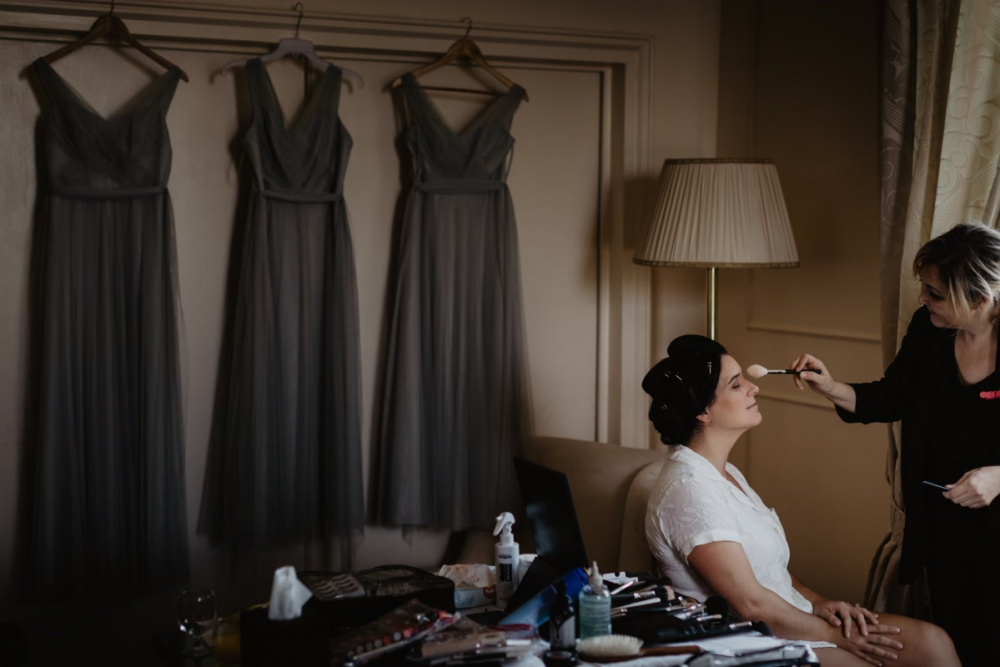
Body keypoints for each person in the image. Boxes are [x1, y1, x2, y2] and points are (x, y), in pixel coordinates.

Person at [643, 334, 959, 667]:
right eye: (736, 385)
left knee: (932, 642)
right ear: (704, 412)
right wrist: (834, 635)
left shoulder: (725, 472)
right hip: (749, 639)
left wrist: (820, 602)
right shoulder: (689, 491)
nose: (754, 388)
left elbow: (768, 570)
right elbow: (751, 604)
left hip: (791, 616)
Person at [790, 222, 1000, 666]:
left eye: (935, 293)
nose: (922, 300)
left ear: (980, 299)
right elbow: (892, 396)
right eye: (923, 288)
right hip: (943, 529)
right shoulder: (929, 331)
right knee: (964, 644)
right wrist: (831, 386)